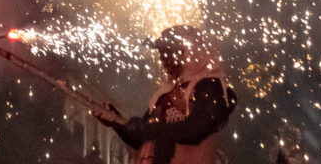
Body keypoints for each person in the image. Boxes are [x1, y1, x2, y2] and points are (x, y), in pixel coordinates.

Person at [94, 25, 237, 164]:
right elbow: (141, 138)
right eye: (162, 53)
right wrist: (116, 120)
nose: (163, 59)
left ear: (191, 52)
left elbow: (195, 129)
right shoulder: (164, 96)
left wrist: (147, 129)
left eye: (169, 52)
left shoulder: (212, 89)